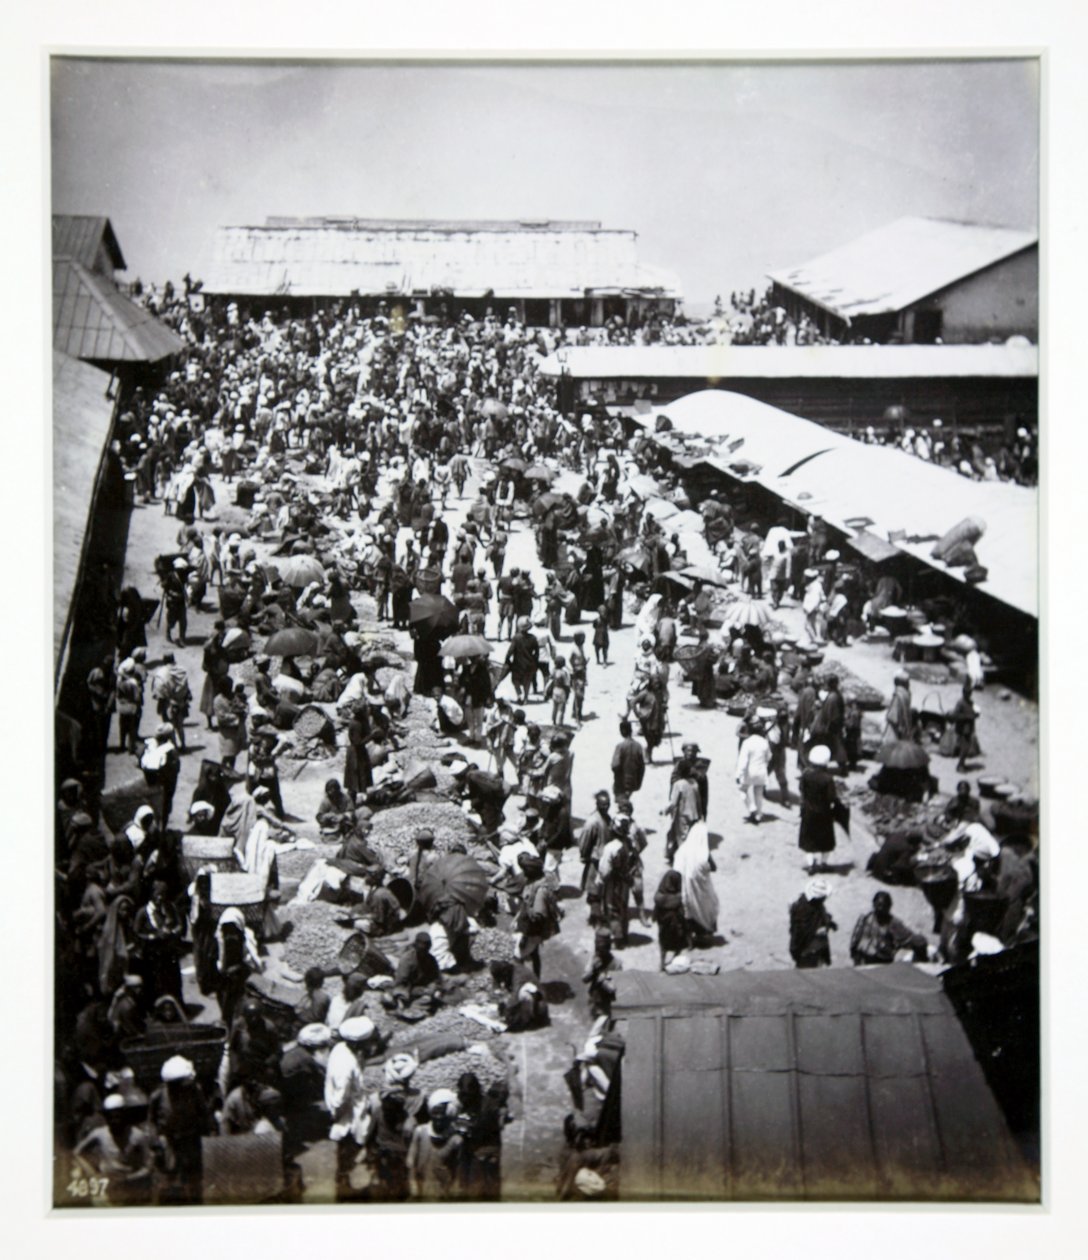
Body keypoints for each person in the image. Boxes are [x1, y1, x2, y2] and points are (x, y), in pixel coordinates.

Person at [324, 1016, 380, 1198]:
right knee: (351, 1148)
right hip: (349, 1114)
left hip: (352, 1106)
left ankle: (343, 1179)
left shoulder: (341, 1048)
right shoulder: (346, 1066)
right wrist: (338, 1116)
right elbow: (340, 1098)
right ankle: (346, 1185)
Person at [148, 1056, 212, 1205]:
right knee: (168, 1178)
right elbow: (151, 1120)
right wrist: (156, 1140)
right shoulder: (158, 1095)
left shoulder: (194, 1090)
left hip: (190, 1140)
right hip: (168, 1141)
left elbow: (203, 1113)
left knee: (193, 1179)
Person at [73, 1091, 155, 1206]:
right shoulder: (99, 1134)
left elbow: (149, 1166)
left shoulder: (138, 1136)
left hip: (129, 1188)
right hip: (106, 1188)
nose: (114, 1120)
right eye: (110, 1117)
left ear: (125, 1114)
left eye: (118, 1116)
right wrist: (92, 1173)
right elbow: (77, 1153)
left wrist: (129, 1178)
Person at [456, 1072, 507, 1201]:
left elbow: (490, 1128)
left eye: (467, 1095)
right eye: (462, 1094)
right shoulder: (463, 1101)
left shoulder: (488, 1106)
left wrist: (470, 1127)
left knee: (484, 1188)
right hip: (469, 1151)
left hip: (485, 1151)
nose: (464, 1098)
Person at [408, 1089, 464, 1200]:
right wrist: (414, 1187)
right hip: (421, 1190)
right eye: (435, 1113)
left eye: (442, 1113)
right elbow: (411, 1162)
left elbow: (458, 1171)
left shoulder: (455, 1140)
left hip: (443, 1194)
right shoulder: (420, 1132)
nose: (438, 1117)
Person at [849, 892, 929, 965]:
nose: (881, 908)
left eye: (884, 906)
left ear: (889, 907)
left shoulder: (894, 924)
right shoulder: (865, 919)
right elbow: (855, 938)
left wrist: (920, 942)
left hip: (880, 962)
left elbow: (909, 938)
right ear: (874, 904)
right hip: (862, 959)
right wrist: (854, 953)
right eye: (879, 905)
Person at [798, 745, 842, 873]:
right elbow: (831, 797)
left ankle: (811, 864)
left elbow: (801, 790)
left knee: (808, 839)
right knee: (826, 840)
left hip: (808, 811)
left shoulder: (805, 775)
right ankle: (824, 863)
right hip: (824, 813)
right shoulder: (828, 779)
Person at [674, 820, 719, 944]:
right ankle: (704, 933)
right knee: (708, 907)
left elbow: (676, 870)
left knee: (690, 911)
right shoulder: (704, 854)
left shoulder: (682, 850)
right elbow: (714, 867)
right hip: (704, 891)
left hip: (687, 890)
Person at [788, 879, 836, 969]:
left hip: (815, 948)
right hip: (809, 951)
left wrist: (829, 923)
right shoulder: (804, 909)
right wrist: (818, 930)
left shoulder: (814, 904)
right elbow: (801, 932)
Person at [663, 759, 702, 865]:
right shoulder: (694, 783)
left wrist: (665, 811)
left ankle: (684, 862)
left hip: (682, 816)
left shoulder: (678, 784)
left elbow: (673, 803)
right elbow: (699, 801)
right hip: (694, 816)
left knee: (682, 839)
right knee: (690, 837)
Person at [736, 719, 771, 824]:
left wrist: (739, 774)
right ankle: (759, 815)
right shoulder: (765, 742)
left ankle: (752, 808)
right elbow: (769, 756)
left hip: (749, 772)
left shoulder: (747, 743)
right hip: (761, 771)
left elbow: (743, 760)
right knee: (758, 793)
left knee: (742, 790)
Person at [652, 870, 688, 971]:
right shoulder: (677, 897)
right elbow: (681, 912)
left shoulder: (659, 895)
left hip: (663, 926)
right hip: (675, 926)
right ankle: (674, 961)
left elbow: (656, 911)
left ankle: (662, 963)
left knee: (663, 945)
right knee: (677, 945)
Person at [502, 617, 540, 705]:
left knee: (515, 681)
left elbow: (510, 651)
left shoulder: (516, 638)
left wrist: (507, 661)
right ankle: (526, 698)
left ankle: (519, 695)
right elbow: (537, 652)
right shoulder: (533, 638)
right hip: (529, 664)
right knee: (527, 682)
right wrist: (534, 661)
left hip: (517, 664)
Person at [610, 718, 645, 810]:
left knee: (621, 803)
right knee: (626, 799)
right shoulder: (638, 746)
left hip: (621, 782)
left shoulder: (620, 746)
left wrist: (617, 775)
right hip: (633, 781)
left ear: (622, 731)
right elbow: (642, 766)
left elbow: (615, 765)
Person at [949, 682, 981, 772]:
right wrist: (968, 716)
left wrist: (975, 715)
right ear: (964, 693)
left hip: (969, 728)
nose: (969, 694)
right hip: (962, 729)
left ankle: (962, 763)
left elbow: (972, 712)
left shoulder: (970, 702)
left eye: (970, 692)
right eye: (968, 693)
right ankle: (960, 765)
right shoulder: (960, 703)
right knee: (964, 747)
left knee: (966, 747)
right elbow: (955, 715)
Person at [882, 672, 914, 748]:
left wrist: (887, 716)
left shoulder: (898, 695)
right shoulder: (907, 693)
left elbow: (893, 717)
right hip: (904, 726)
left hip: (895, 730)